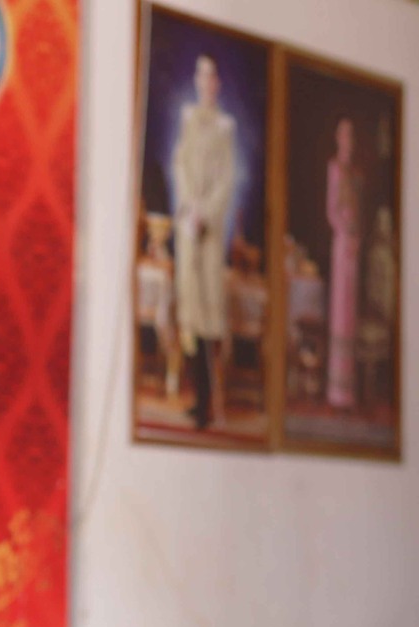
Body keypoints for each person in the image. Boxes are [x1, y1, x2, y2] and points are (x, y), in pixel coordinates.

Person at [171, 54, 237, 430]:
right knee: (190, 314)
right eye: (200, 75)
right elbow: (180, 164)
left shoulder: (226, 127)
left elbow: (226, 178)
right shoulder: (187, 118)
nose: (205, 82)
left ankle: (209, 402)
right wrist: (188, 207)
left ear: (217, 84)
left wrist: (206, 213)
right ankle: (196, 397)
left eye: (211, 76)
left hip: (208, 232)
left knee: (209, 314)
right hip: (188, 227)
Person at [325, 117, 363, 410]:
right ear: (339, 138)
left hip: (354, 246)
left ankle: (349, 388)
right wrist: (346, 231)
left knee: (351, 314)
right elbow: (332, 209)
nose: (347, 141)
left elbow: (359, 210)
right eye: (344, 135)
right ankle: (336, 390)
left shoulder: (356, 172)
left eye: (351, 135)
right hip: (341, 244)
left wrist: (357, 235)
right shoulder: (335, 168)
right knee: (339, 312)